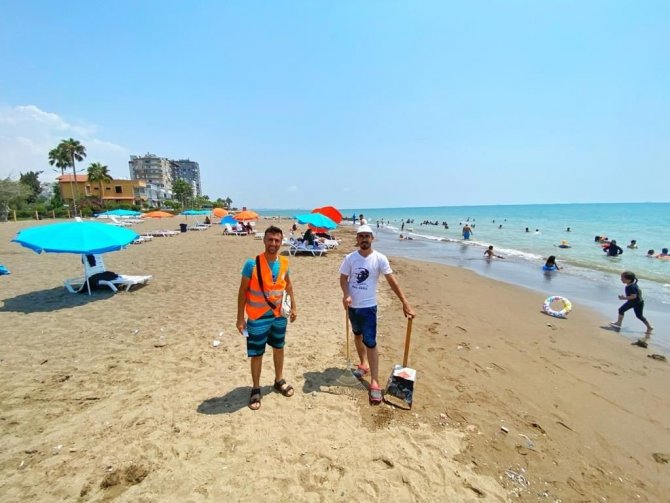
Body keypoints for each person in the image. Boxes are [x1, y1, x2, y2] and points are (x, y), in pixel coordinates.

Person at [339, 225, 415, 405]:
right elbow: (343, 278)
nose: (364, 239)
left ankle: (374, 382)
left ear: (372, 238)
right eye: (361, 236)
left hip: (368, 308)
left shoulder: (379, 258)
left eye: (367, 236)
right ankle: (363, 364)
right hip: (352, 307)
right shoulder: (350, 258)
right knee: (357, 335)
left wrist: (404, 302)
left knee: (371, 343)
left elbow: (391, 280)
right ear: (357, 239)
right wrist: (346, 294)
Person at [236, 226, 297, 410]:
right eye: (270, 239)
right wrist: (240, 318)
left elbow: (288, 286)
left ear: (281, 242)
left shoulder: (284, 262)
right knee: (257, 353)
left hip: (279, 316)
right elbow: (242, 291)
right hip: (257, 317)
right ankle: (256, 388)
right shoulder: (252, 264)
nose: (273, 243)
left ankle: (279, 380)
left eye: (277, 240)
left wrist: (294, 307)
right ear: (264, 240)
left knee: (279, 347)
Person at [609, 271, 653, 337]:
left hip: (635, 302)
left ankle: (649, 326)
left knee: (637, 315)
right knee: (623, 310)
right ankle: (619, 323)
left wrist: (624, 298)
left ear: (629, 279)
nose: (621, 279)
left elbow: (634, 296)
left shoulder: (631, 287)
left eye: (622, 278)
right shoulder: (633, 285)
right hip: (638, 302)